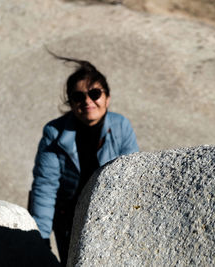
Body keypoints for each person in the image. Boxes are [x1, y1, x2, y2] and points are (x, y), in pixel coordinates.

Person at [28, 52, 139, 265]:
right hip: (68, 219)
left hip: (110, 217)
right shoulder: (54, 133)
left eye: (95, 93)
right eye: (78, 96)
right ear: (70, 102)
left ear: (107, 98)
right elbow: (45, 188)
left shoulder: (121, 126)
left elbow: (132, 180)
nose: (88, 101)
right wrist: (39, 241)